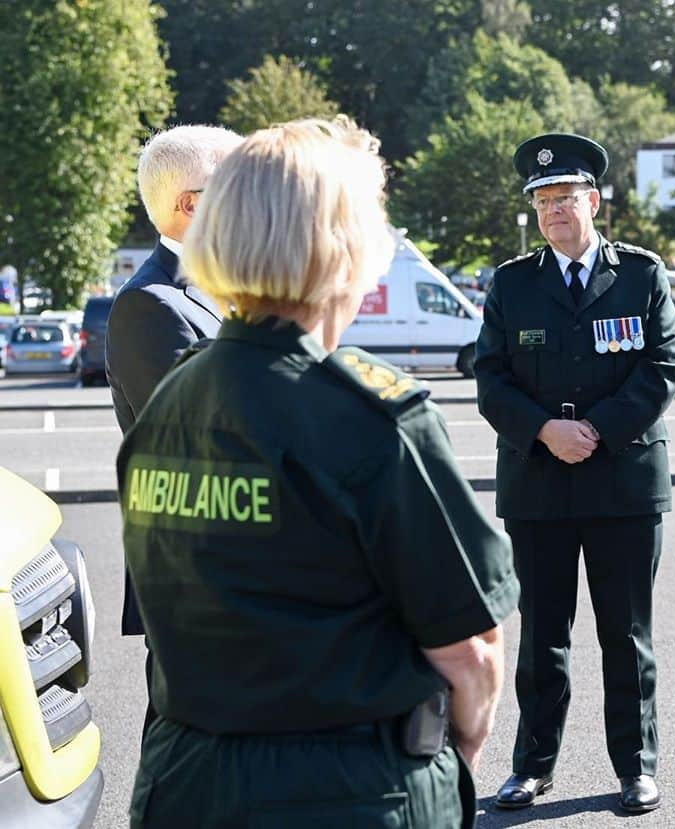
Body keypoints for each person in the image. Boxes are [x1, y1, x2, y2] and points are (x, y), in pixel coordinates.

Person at [116, 117, 519, 828]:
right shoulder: (371, 414)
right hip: (347, 794)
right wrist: (444, 770)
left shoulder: (172, 400)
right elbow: (472, 654)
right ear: (347, 248)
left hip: (182, 782)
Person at [475, 133, 675, 814]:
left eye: (564, 197)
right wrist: (544, 430)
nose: (553, 211)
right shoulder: (511, 284)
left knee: (626, 635)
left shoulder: (642, 275)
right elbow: (491, 378)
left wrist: (594, 430)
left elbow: (661, 368)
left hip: (622, 478)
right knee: (541, 636)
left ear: (593, 199)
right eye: (542, 200)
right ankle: (532, 766)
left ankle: (636, 766)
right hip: (540, 481)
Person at [105, 124, 243, 739]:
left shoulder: (220, 291)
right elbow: (200, 441)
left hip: (238, 561)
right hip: (194, 572)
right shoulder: (151, 305)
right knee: (186, 744)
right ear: (191, 205)